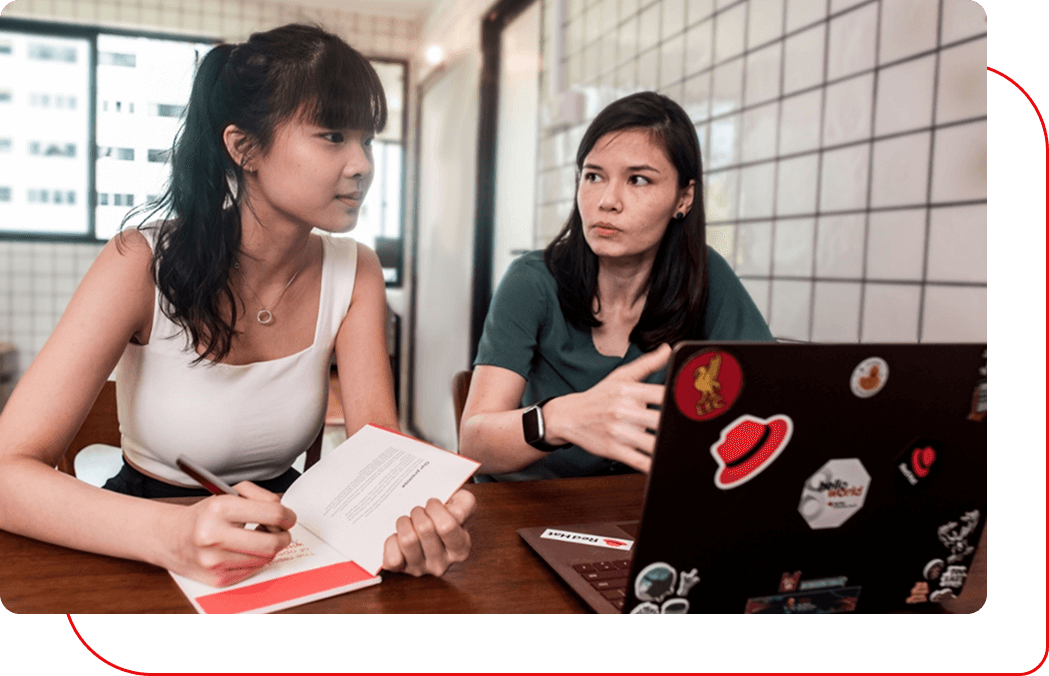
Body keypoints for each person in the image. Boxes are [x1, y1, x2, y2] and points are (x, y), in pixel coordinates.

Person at [0, 24, 473, 587]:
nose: (364, 164)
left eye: (367, 139)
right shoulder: (139, 262)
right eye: (332, 135)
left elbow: (376, 450)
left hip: (285, 533)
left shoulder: (357, 269)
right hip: (144, 530)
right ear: (243, 147)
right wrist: (172, 536)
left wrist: (416, 520)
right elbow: (7, 473)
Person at [459, 91, 774, 481]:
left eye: (638, 180)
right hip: (526, 510)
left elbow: (769, 401)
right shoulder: (532, 281)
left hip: (633, 513)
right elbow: (474, 443)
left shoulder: (705, 275)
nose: (607, 201)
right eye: (593, 176)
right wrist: (559, 419)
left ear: (684, 197)